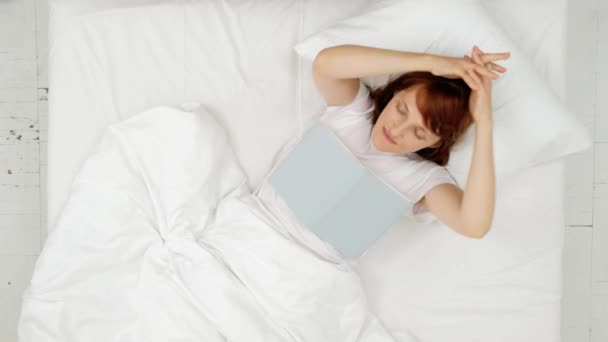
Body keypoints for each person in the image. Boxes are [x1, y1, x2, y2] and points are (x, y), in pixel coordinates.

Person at [312, 44, 510, 239]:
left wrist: (484, 122)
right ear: (396, 93)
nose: (396, 130)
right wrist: (431, 63)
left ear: (435, 143)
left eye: (419, 132)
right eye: (401, 109)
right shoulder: (353, 111)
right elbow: (325, 62)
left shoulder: (421, 177)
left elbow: (473, 226)